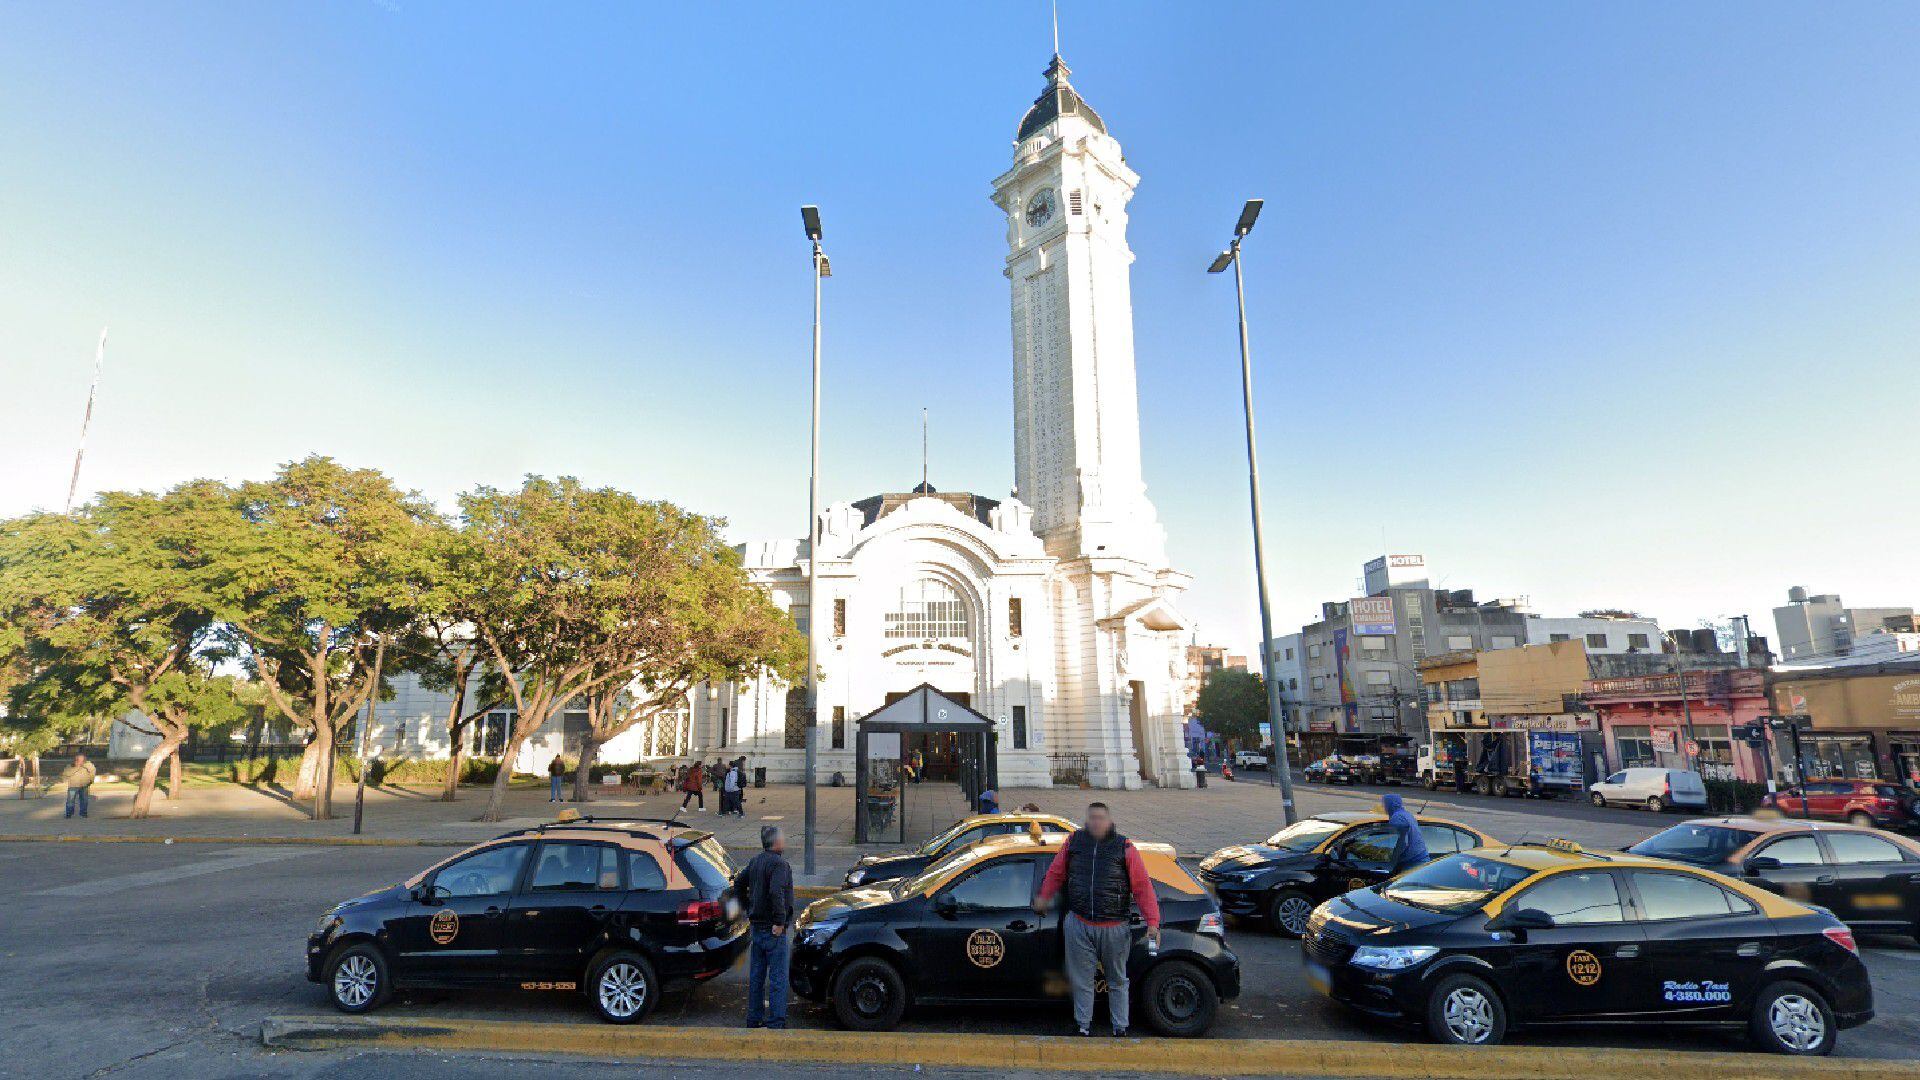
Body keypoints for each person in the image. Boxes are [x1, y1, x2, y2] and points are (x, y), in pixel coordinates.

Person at [1035, 802, 1160, 1037]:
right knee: (1082, 980)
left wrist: (1152, 921)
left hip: (1114, 926)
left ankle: (1120, 1027)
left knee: (1117, 980)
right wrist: (1044, 896)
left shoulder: (1124, 846)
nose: (1096, 822)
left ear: (1109, 821)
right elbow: (1056, 873)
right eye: (1092, 817)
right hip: (1080, 924)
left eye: (1101, 817)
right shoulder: (1074, 842)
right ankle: (1083, 1025)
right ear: (1087, 820)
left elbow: (1142, 886)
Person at [739, 824, 793, 1028]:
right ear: (776, 842)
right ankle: (776, 1020)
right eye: (783, 837)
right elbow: (776, 892)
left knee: (757, 976)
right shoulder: (780, 865)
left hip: (757, 927)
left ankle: (754, 1018)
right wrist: (780, 921)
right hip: (773, 929)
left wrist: (748, 906)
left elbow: (738, 884)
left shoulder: (755, 862)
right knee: (778, 977)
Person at [1381, 793, 1430, 874]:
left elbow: (1400, 842)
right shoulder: (1407, 814)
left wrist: (1389, 856)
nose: (1383, 807)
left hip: (1413, 864)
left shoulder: (1396, 818)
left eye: (1384, 804)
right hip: (1421, 860)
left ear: (1390, 804)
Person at [62, 753, 96, 820]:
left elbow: (93, 772)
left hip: (84, 785)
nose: (80, 761)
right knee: (70, 800)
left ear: (84, 759)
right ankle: (69, 814)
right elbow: (66, 774)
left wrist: (91, 781)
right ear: (76, 759)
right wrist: (76, 767)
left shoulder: (88, 765)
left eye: (82, 759)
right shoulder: (70, 766)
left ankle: (83, 813)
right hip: (73, 786)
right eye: (78, 759)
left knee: (84, 800)